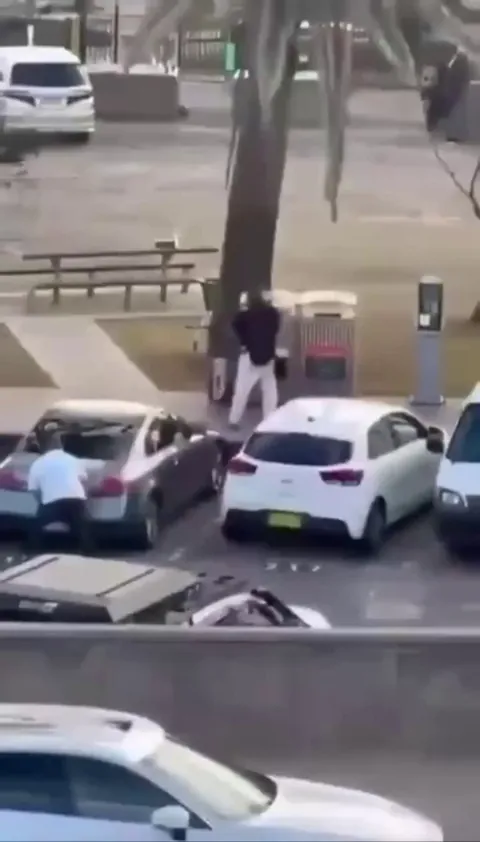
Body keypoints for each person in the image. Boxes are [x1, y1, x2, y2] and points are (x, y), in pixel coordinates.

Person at [26, 430, 91, 554]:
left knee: (36, 526)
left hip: (52, 502)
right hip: (76, 499)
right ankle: (87, 550)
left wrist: (42, 503)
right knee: (82, 527)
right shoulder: (72, 459)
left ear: (42, 447)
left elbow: (34, 490)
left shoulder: (38, 463)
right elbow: (83, 481)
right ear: (61, 446)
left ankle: (33, 549)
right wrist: (84, 498)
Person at [228, 291, 280, 429]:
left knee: (241, 390)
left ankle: (234, 420)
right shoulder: (272, 314)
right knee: (270, 391)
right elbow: (275, 329)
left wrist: (244, 341)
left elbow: (236, 323)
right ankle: (269, 420)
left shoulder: (245, 316)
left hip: (249, 357)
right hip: (268, 358)